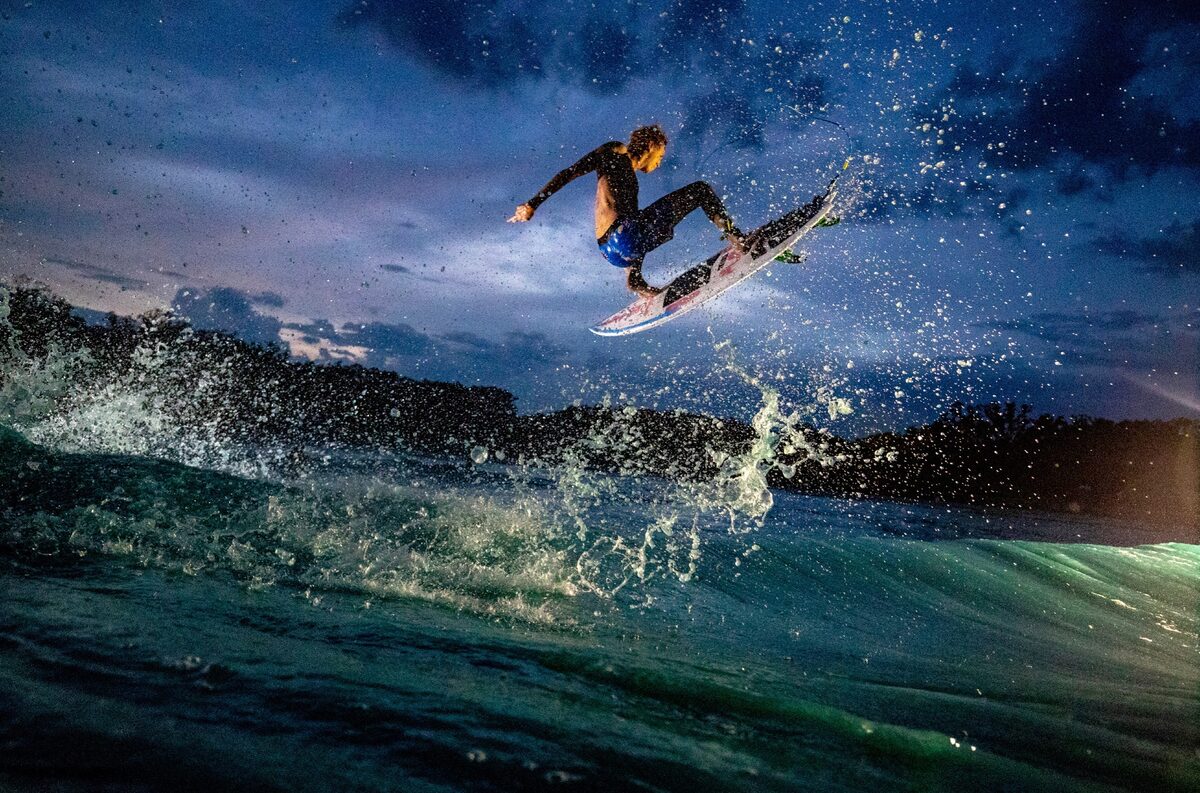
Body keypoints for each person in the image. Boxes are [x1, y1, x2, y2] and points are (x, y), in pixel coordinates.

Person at [508, 125, 748, 298]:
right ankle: (738, 239)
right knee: (700, 190)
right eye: (660, 155)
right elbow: (571, 172)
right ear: (652, 146)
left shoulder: (627, 177)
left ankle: (634, 279)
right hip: (623, 237)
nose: (659, 162)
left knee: (638, 219)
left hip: (611, 250)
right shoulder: (616, 152)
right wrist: (533, 204)